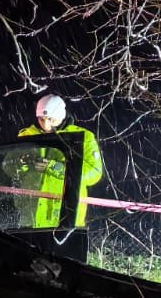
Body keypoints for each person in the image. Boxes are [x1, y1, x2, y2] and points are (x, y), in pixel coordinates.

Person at [10, 93, 104, 228]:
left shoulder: (83, 138)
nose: (46, 125)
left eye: (50, 119)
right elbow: (7, 166)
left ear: (61, 115)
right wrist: (22, 164)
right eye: (41, 119)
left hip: (65, 216)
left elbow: (94, 173)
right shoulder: (26, 135)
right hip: (29, 216)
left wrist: (56, 168)